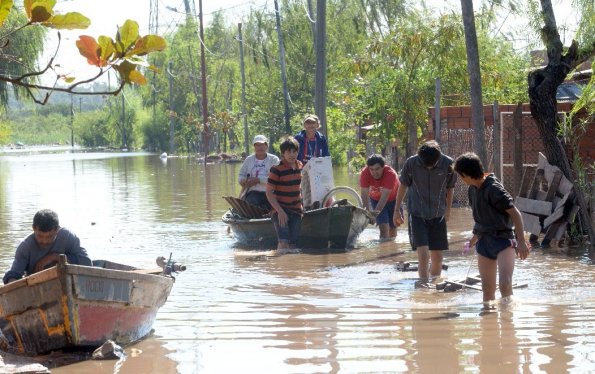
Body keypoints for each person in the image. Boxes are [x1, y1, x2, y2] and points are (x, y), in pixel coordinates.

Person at [454, 152, 530, 304]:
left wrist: (521, 242)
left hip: (503, 241)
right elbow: (481, 218)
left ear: (466, 174)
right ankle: (489, 323)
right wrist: (473, 239)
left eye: (460, 176)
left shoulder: (494, 189)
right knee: (487, 289)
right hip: (484, 243)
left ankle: (508, 320)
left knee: (504, 284)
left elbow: (516, 214)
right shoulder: (472, 190)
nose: (460, 180)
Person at [393, 140, 456, 284]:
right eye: (425, 165)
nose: (429, 168)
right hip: (417, 214)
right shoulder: (411, 163)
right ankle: (423, 285)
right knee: (423, 255)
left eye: (432, 165)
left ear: (439, 158)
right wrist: (396, 210)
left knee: (438, 257)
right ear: (419, 157)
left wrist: (448, 210)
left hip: (438, 214)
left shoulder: (448, 164)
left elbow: (450, 187)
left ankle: (433, 285)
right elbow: (403, 185)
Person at [3, 209, 93, 284]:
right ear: (33, 228)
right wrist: (12, 283)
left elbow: (87, 263)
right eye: (39, 236)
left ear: (57, 230)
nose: (44, 241)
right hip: (38, 289)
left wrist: (55, 257)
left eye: (49, 236)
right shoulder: (25, 247)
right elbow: (13, 274)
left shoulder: (68, 237)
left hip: (70, 283)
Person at [266, 136, 303, 252]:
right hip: (280, 209)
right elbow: (268, 192)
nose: (292, 154)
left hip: (296, 210)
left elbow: (301, 187)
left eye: (294, 151)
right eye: (288, 152)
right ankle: (280, 267)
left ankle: (290, 269)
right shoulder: (276, 169)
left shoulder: (300, 166)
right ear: (283, 154)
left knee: (293, 245)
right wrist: (280, 212)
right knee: (283, 243)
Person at [359, 154, 400, 240]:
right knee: (383, 228)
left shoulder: (390, 174)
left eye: (377, 169)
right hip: (375, 199)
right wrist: (367, 213)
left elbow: (384, 197)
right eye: (371, 169)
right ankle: (382, 250)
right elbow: (364, 194)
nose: (374, 172)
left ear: (383, 167)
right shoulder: (364, 173)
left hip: (394, 199)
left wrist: (374, 215)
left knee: (392, 228)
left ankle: (392, 248)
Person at [238, 135, 280, 210]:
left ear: (266, 146)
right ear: (254, 147)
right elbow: (241, 175)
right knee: (250, 205)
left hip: (271, 193)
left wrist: (259, 180)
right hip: (253, 193)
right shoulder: (249, 160)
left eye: (262, 145)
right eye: (257, 145)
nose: (259, 147)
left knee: (272, 206)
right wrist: (243, 181)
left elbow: (276, 178)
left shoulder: (274, 159)